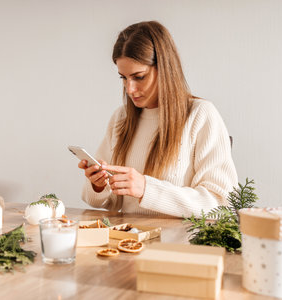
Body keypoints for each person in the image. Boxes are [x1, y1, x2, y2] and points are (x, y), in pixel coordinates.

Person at [78, 21, 238, 218]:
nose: (130, 89)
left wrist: (147, 189)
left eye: (139, 77)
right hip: (128, 241)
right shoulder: (121, 119)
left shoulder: (201, 115)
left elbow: (221, 204)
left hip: (178, 245)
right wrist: (98, 185)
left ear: (164, 69)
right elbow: (110, 204)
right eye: (124, 78)